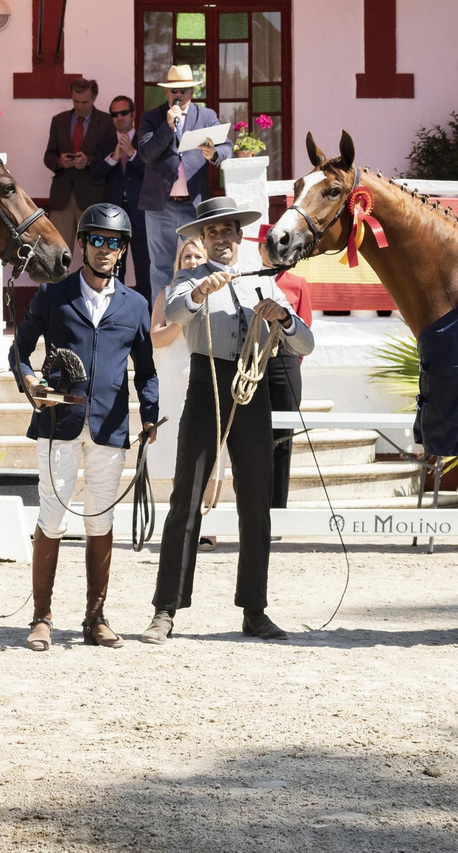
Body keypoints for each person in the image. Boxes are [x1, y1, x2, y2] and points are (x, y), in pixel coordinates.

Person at [142, 197, 314, 645]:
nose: (222, 239)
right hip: (206, 386)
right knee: (187, 496)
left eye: (229, 231)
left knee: (256, 500)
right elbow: (176, 314)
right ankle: (166, 609)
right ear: (203, 239)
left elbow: (305, 344)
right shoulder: (188, 279)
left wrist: (286, 319)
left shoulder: (266, 283)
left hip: (250, 387)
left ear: (240, 236)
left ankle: (254, 609)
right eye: (213, 233)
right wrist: (201, 291)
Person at [10, 203, 159, 652]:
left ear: (123, 250)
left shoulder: (136, 305)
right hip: (59, 420)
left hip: (110, 426)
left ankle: (95, 617)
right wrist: (30, 380)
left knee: (100, 518)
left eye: (113, 243)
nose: (104, 249)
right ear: (82, 245)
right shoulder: (53, 294)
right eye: (96, 240)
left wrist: (150, 413)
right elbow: (20, 350)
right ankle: (41, 617)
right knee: (52, 517)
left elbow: (147, 369)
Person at [136, 65, 228, 306]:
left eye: (184, 90)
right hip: (160, 206)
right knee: (160, 268)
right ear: (167, 92)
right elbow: (145, 153)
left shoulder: (206, 116)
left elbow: (227, 147)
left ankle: (195, 316)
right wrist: (167, 126)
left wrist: (213, 153)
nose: (179, 94)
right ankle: (161, 324)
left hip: (193, 206)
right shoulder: (152, 117)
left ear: (192, 92)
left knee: (196, 262)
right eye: (174, 89)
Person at [146, 237, 205, 487]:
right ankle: (182, 511)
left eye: (198, 256)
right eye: (186, 256)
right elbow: (156, 339)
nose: (192, 261)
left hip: (206, 378)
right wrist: (182, 316)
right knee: (176, 448)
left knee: (209, 451)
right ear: (178, 262)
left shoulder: (220, 294)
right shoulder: (167, 293)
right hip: (173, 379)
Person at [93, 95, 152, 301]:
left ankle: (147, 314)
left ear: (134, 114)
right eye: (114, 114)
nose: (119, 117)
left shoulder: (145, 141)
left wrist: (132, 153)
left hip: (142, 210)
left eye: (124, 112)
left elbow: (152, 171)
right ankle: (116, 308)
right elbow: (94, 174)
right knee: (115, 263)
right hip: (114, 213)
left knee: (144, 264)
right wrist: (114, 158)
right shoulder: (105, 143)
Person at [43, 78, 110, 248]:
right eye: (75, 101)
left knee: (95, 249)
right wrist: (60, 161)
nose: (79, 107)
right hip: (62, 195)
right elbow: (48, 156)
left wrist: (88, 161)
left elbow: (110, 159)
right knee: (57, 251)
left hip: (92, 194)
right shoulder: (59, 120)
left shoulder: (106, 122)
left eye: (84, 102)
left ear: (94, 98)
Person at [268, 270, 314, 509]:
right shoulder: (250, 278)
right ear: (259, 249)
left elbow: (305, 324)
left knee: (283, 439)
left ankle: (278, 509)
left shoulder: (297, 283)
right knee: (254, 438)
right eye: (266, 245)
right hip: (254, 356)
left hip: (285, 357)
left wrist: (293, 362)